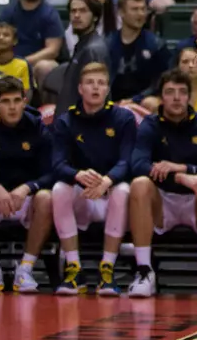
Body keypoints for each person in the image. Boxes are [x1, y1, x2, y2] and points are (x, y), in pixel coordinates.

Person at [127, 68, 197, 298]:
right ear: (161, 97)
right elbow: (137, 165)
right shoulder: (150, 125)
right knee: (139, 184)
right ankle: (144, 271)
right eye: (170, 92)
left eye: (182, 92)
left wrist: (185, 169)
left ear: (190, 96)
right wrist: (181, 178)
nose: (176, 98)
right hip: (162, 204)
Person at [49, 61, 136, 295]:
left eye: (100, 83)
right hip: (82, 196)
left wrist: (107, 180)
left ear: (108, 89)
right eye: (90, 83)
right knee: (58, 189)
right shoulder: (66, 121)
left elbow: (127, 162)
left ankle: (107, 270)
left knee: (123, 190)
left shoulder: (123, 119)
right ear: (80, 89)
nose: (95, 88)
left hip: (109, 196)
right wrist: (78, 175)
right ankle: (73, 268)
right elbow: (57, 164)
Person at [0, 74, 54, 294]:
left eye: (16, 100)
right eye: (5, 102)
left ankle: (25, 269)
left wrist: (27, 188)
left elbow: (51, 172)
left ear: (25, 101)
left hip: (27, 199)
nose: (12, 107)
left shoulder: (38, 128)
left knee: (47, 197)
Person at [2, 0, 65, 84]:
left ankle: (45, 103)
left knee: (45, 67)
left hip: (36, 64)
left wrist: (23, 63)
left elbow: (52, 50)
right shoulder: (9, 12)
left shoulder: (50, 14)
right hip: (10, 63)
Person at [107, 0, 168, 103]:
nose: (140, 14)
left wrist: (135, 100)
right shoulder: (107, 43)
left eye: (143, 9)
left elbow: (160, 81)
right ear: (121, 12)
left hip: (144, 102)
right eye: (135, 9)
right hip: (112, 102)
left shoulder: (156, 45)